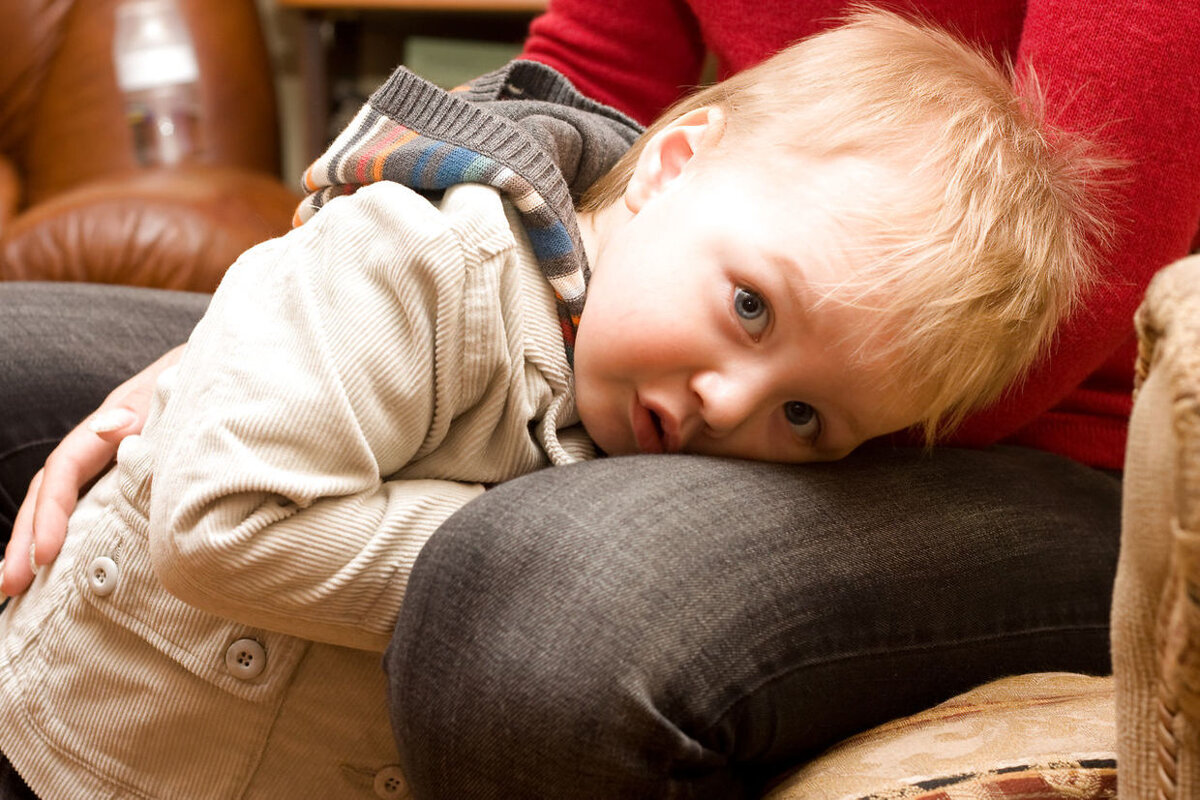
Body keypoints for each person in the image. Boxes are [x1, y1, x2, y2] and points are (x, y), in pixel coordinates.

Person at [0, 11, 1113, 798]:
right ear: (670, 164)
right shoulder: (420, 263)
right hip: (83, 767)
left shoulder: (658, 375)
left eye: (807, 419)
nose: (732, 407)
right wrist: (250, 331)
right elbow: (221, 525)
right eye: (750, 307)